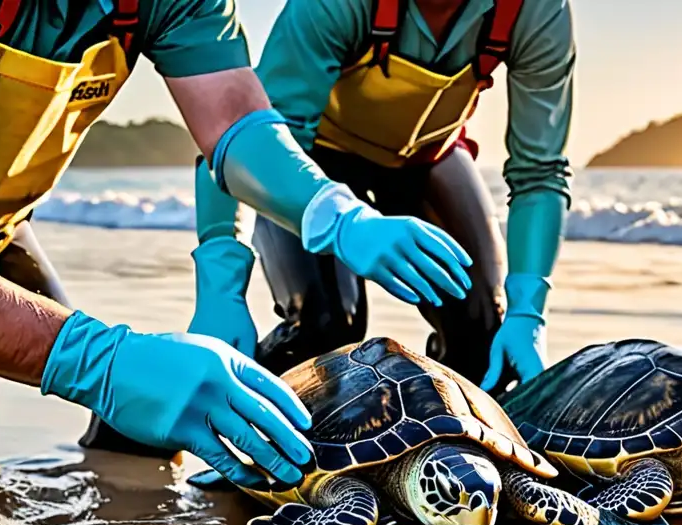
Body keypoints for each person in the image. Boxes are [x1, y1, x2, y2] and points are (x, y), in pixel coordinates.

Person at [0, 0, 473, 479]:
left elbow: (234, 124)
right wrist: (96, 360)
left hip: (2, 224)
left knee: (144, 423)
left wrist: (334, 213)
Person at [187, 0, 574, 392]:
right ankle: (240, 406)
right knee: (325, 328)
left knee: (484, 337)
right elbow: (241, 139)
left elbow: (540, 170)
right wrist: (223, 290)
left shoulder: (537, 11)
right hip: (308, 159)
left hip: (428, 155)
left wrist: (528, 313)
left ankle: (437, 438)